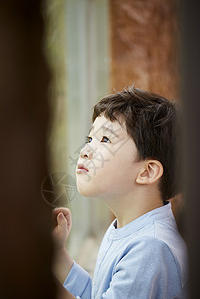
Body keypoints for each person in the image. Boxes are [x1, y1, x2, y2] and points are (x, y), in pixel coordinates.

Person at [52, 87, 188, 299]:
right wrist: (57, 255)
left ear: (147, 171)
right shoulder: (129, 228)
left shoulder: (150, 248)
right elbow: (100, 294)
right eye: (90, 139)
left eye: (105, 139)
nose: (85, 150)